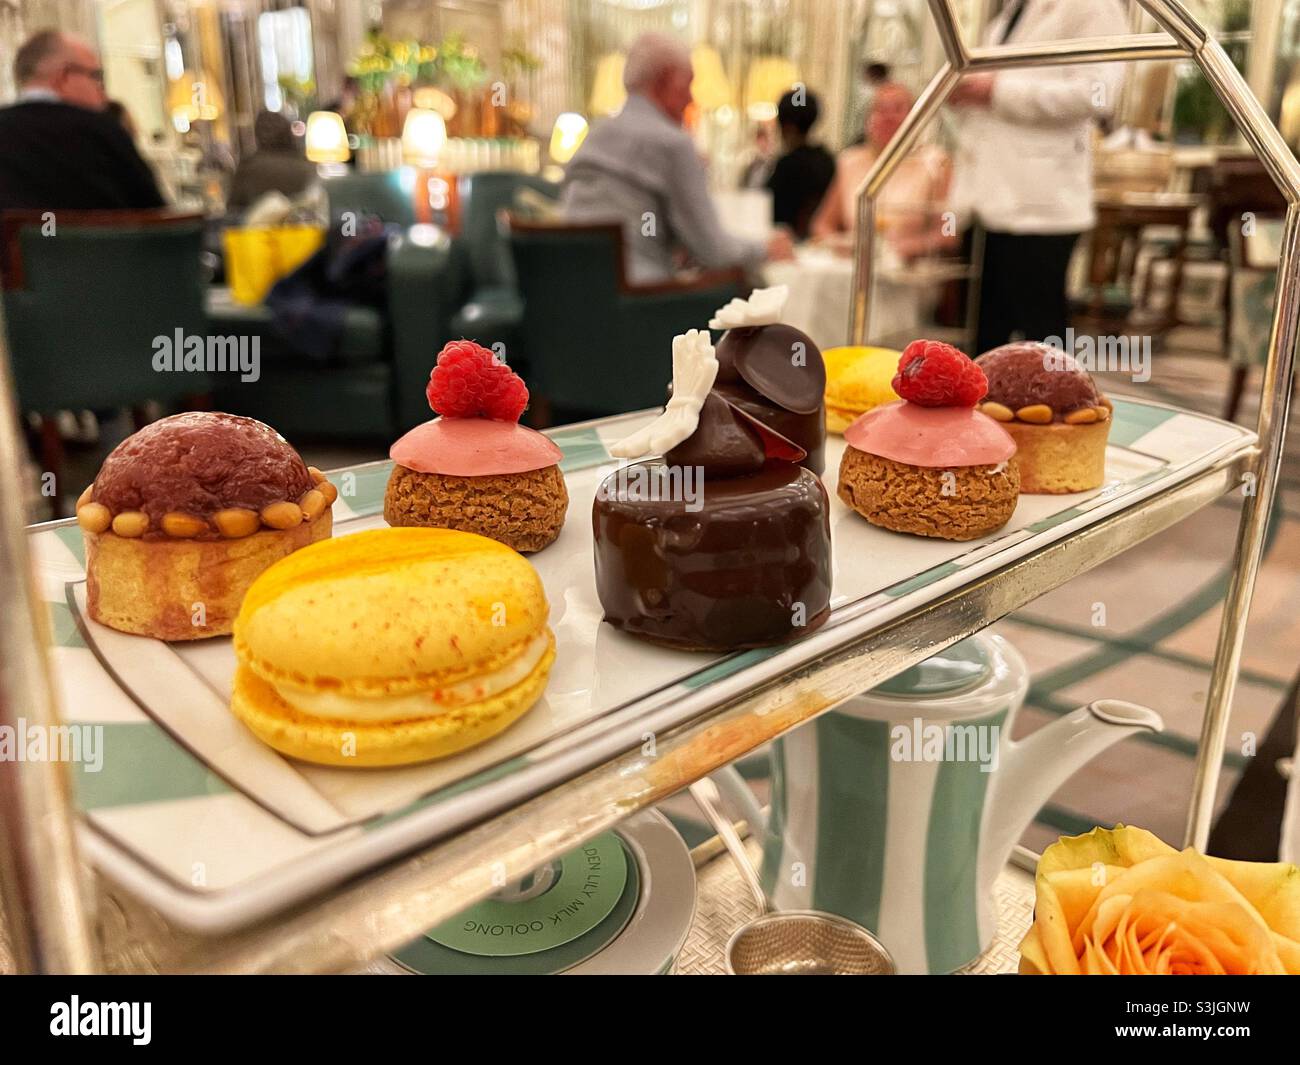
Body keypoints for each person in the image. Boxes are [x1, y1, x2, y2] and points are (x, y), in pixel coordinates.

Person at [947, 0, 1128, 355]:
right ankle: (981, 411)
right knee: (983, 339)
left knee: (1042, 339)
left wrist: (996, 91)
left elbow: (1098, 94)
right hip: (987, 197)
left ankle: (1056, 410)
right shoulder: (1009, 13)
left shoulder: (1095, 7)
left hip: (1043, 201)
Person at [562, 32, 794, 283]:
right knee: (756, 290)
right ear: (666, 80)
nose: (691, 98)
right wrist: (766, 248)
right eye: (689, 84)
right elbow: (715, 251)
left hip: (574, 295)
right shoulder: (672, 144)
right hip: (641, 304)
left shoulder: (594, 135)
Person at [0, 30, 164, 212]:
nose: (102, 91)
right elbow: (156, 214)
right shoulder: (102, 130)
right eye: (95, 76)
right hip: (107, 240)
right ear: (64, 77)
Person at [811, 82, 951, 260]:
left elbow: (949, 233)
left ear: (916, 118)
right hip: (855, 266)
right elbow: (822, 224)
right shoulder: (849, 161)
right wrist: (839, 243)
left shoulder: (937, 163)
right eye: (881, 109)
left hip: (910, 273)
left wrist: (909, 248)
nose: (888, 117)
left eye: (898, 109)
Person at [765, 88, 835, 240]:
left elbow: (769, 213)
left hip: (789, 245)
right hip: (819, 245)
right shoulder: (828, 160)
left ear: (786, 126)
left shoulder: (787, 166)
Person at [227, 110, 319, 211]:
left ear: (258, 136)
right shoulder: (305, 167)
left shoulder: (248, 167)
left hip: (256, 225)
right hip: (303, 226)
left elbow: (233, 208)